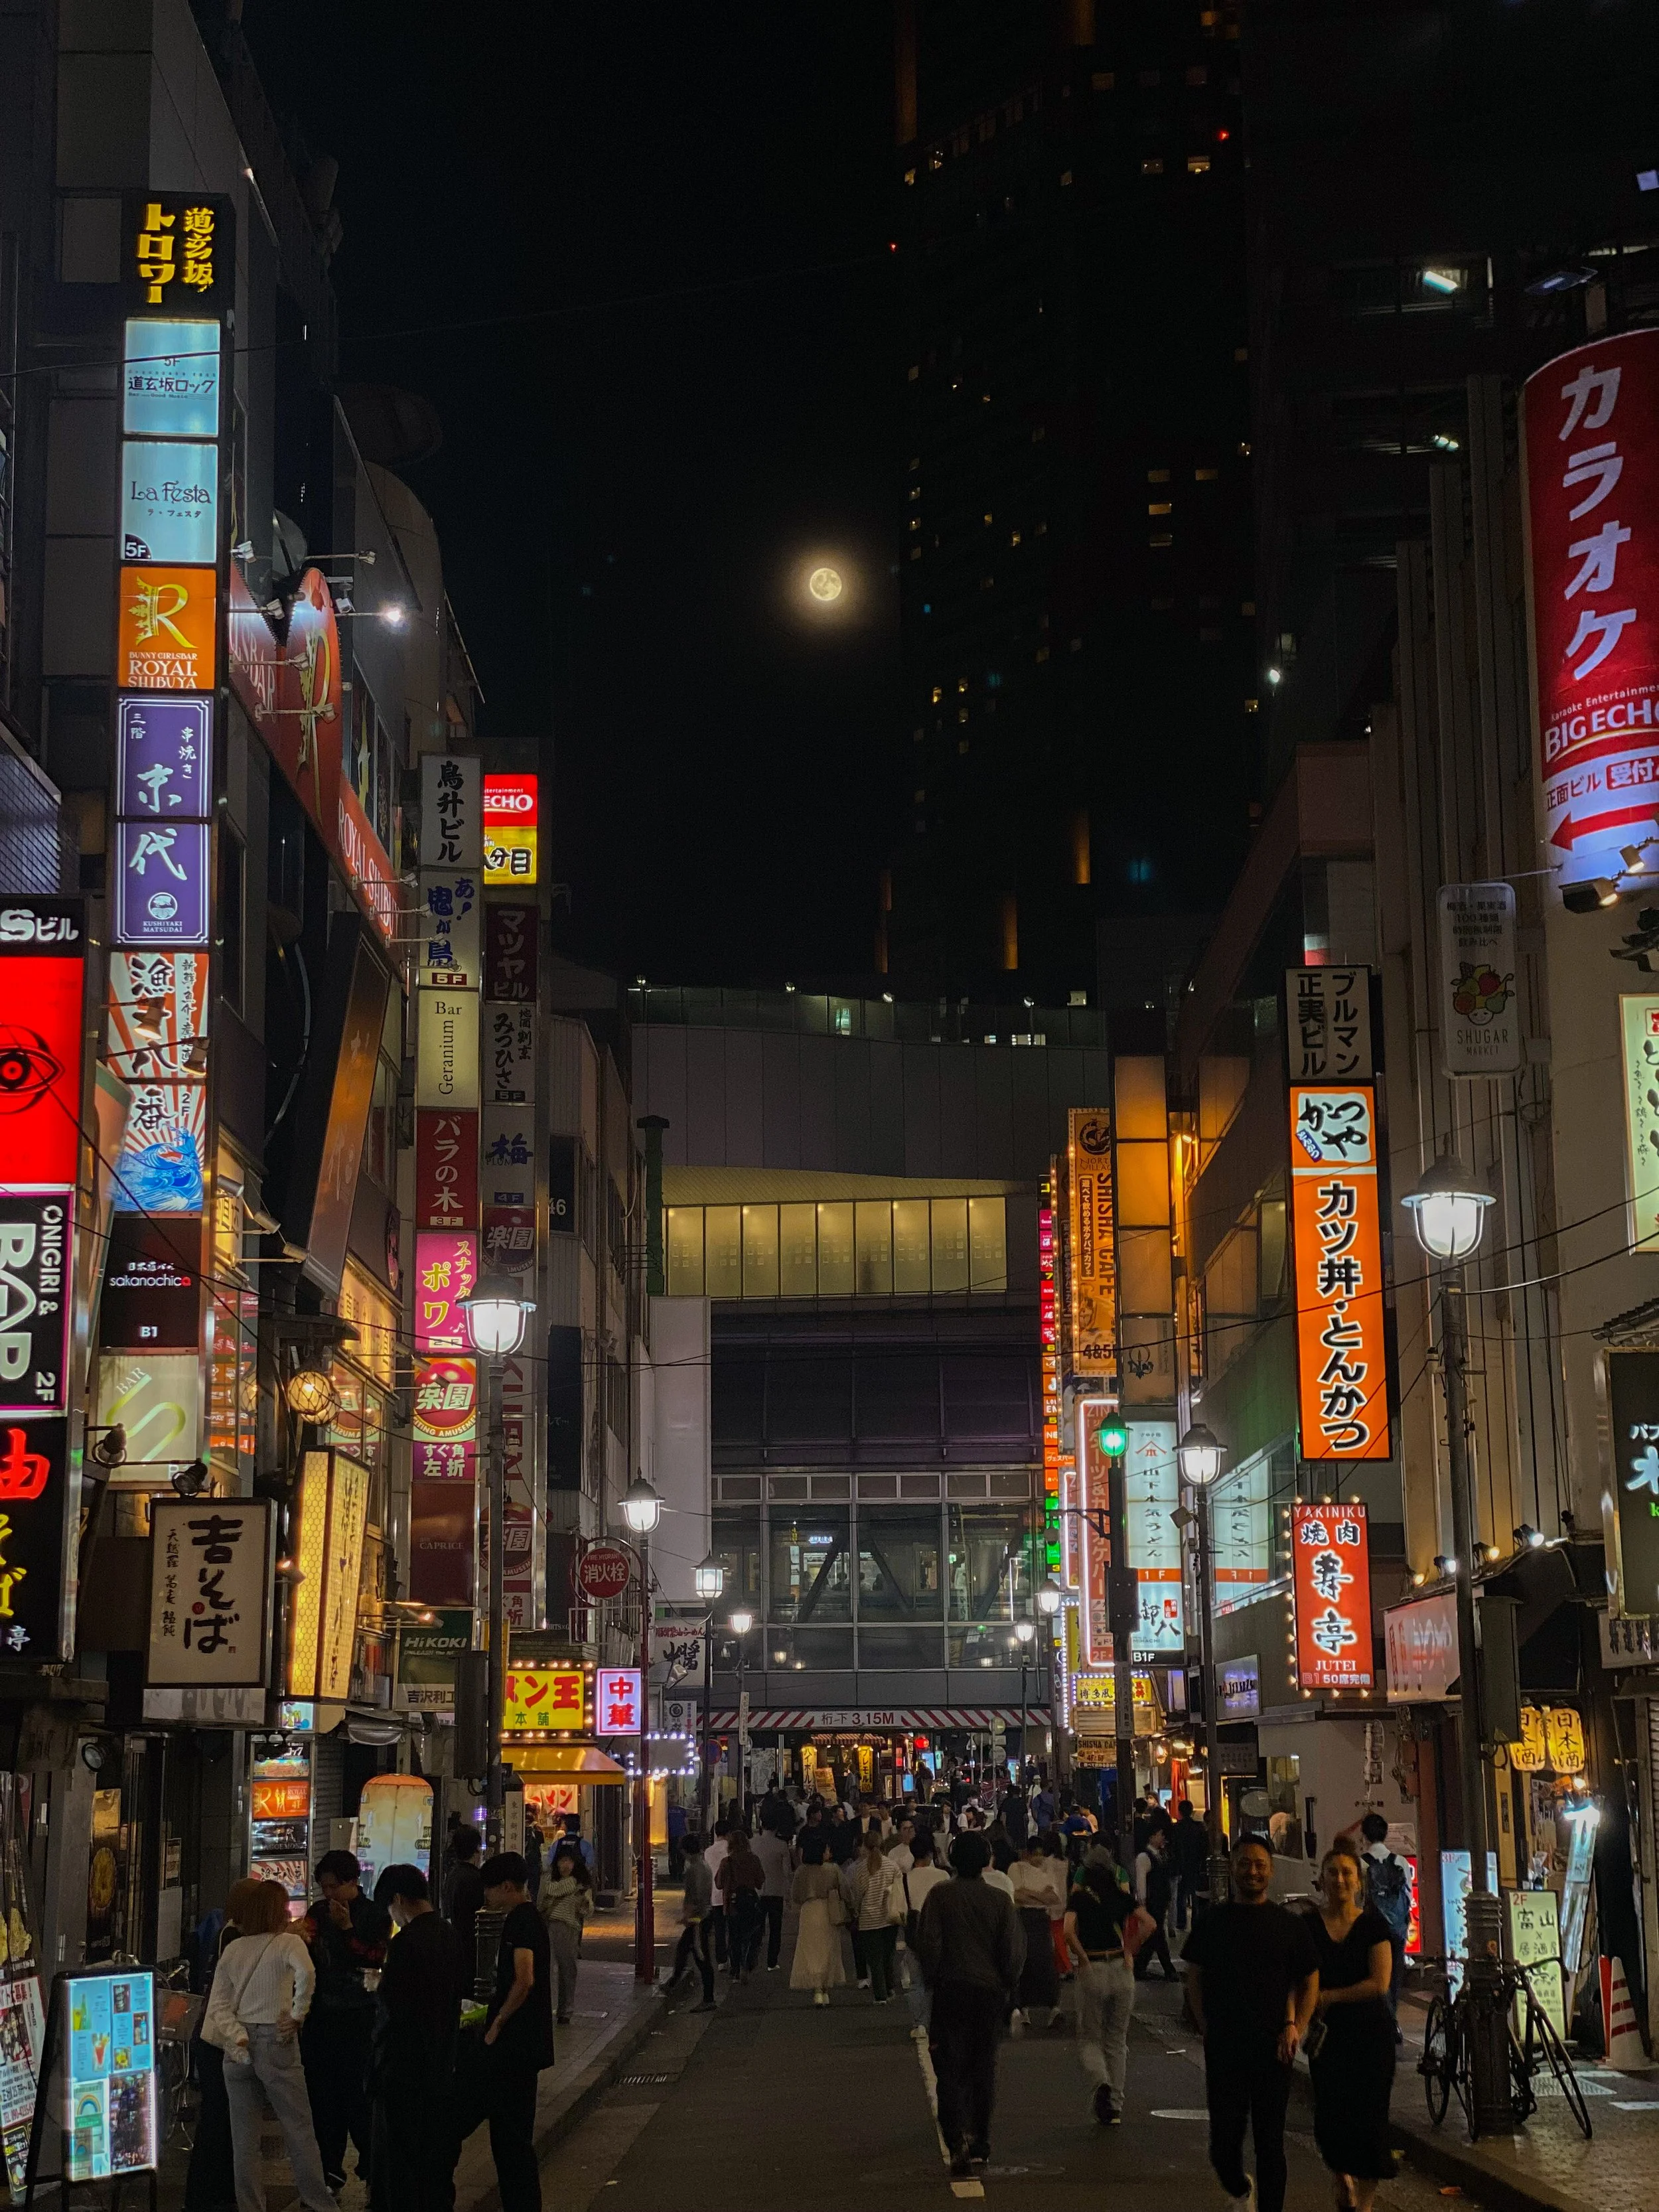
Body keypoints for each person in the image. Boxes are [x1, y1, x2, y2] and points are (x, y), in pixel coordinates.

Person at [1183, 1835, 1319, 2212]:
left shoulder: (1288, 1925)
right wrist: (1205, 2024)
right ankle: (1240, 2186)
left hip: (1273, 2047)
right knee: (1223, 2142)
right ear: (1232, 1868)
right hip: (1225, 2044)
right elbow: (1195, 1976)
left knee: (1270, 2140)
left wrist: (1298, 2025)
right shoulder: (1213, 1922)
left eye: (1260, 1865)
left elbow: (1310, 1978)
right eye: (1244, 1863)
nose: (1252, 1871)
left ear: (1271, 1870)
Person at [204, 1879, 337, 2212]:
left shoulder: (234, 1949)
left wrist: (237, 2034)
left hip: (237, 2049)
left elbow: (218, 2005)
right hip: (276, 2039)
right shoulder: (288, 1943)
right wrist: (298, 2014)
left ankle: (251, 2206)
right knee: (298, 2128)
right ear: (279, 1911)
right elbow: (307, 1974)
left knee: (244, 2139)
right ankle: (318, 2203)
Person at [915, 1831, 1025, 2178]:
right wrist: (1007, 1985)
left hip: (951, 1990)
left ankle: (956, 2137)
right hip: (988, 1992)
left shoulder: (940, 1895)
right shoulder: (999, 1900)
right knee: (983, 2065)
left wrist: (933, 1978)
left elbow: (929, 1944)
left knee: (949, 2066)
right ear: (986, 1860)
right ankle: (980, 2138)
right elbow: (1012, 1952)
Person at [452, 1854, 554, 2212]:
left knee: (511, 2140)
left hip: (515, 2047)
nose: (487, 1897)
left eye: (490, 1890)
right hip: (523, 2046)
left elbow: (524, 1979)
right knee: (512, 2139)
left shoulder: (521, 1921)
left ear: (507, 1887)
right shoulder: (528, 1919)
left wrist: (497, 2023)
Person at [368, 1864, 469, 2212]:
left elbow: (392, 2013)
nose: (392, 1917)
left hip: (404, 2070)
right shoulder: (449, 1934)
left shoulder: (405, 1943)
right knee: (434, 2161)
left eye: (390, 1908)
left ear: (398, 1899)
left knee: (402, 2163)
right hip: (441, 2064)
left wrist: (376, 2065)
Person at [1305, 1848, 1397, 2212]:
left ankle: (1367, 2204)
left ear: (1359, 1882)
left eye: (1347, 1873)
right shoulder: (1309, 1926)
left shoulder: (1374, 1926)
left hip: (1371, 2036)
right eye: (1332, 1872)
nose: (1340, 1879)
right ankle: (1341, 2175)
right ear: (1322, 1879)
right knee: (1330, 2117)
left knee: (1371, 2120)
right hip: (1328, 2038)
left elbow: (1380, 1983)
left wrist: (1331, 1996)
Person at [298, 1850, 389, 2193]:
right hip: (321, 2019)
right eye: (323, 1887)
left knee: (359, 2098)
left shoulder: (374, 1915)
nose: (328, 1894)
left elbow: (375, 1958)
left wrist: (347, 1929)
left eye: (334, 1886)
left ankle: (373, 2171)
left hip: (359, 2018)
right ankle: (330, 2171)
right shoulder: (318, 1912)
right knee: (323, 2099)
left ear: (353, 1882)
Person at [186, 1877, 267, 2212]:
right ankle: (205, 2196)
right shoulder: (232, 1936)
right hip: (218, 2042)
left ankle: (218, 2192)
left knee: (224, 2121)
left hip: (219, 2040)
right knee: (218, 2120)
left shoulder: (233, 1933)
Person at [1065, 1857, 1139, 2125]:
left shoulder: (1079, 1899)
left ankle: (1101, 2082)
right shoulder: (1121, 1897)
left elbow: (1068, 1931)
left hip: (1094, 1968)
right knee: (1117, 2040)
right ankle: (1115, 2106)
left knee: (1090, 2037)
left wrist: (1082, 1958)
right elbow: (1150, 1923)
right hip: (1121, 1968)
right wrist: (1129, 1950)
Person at [1356, 1812, 1413, 2036]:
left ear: (1364, 1836)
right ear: (1385, 1834)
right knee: (1394, 1976)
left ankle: (1378, 2020)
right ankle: (1392, 2019)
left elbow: (1359, 1899)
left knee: (1372, 1974)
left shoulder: (1361, 1863)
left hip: (1371, 1928)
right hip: (1397, 1928)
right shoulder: (1401, 1862)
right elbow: (1408, 1896)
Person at [848, 1824, 907, 2004]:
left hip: (868, 1919)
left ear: (865, 1847)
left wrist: (855, 1912)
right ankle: (889, 1988)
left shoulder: (860, 1869)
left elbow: (857, 1894)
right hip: (889, 1917)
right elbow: (898, 1890)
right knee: (888, 1956)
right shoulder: (892, 1866)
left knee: (875, 1959)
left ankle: (880, 1995)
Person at [536, 1841, 593, 2025]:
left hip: (568, 1928)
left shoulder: (580, 1885)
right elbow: (540, 1905)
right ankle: (546, 2008)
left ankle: (565, 2010)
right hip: (548, 1926)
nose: (565, 1865)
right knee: (546, 1970)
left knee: (567, 1969)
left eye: (569, 1861)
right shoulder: (549, 1881)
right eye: (562, 1861)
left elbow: (587, 1910)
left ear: (575, 1863)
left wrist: (583, 1903)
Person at [1010, 1834, 1063, 2027]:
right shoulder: (1017, 1868)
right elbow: (1017, 1895)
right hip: (1024, 1918)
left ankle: (1053, 2007)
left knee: (1046, 1962)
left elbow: (1054, 1898)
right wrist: (1041, 1896)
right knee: (1025, 1962)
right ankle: (1023, 2007)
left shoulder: (1047, 1870)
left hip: (1042, 1919)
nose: (1039, 1859)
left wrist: (1030, 1894)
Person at [790, 1833, 849, 2005]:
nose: (829, 1852)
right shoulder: (833, 1869)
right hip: (828, 1910)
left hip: (808, 1911)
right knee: (829, 1949)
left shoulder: (801, 1871)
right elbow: (845, 1890)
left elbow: (795, 1895)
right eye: (827, 1850)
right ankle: (825, 1988)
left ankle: (816, 1989)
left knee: (810, 1950)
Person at [664, 1834, 717, 2009]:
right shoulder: (703, 1865)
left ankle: (709, 1999)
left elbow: (696, 1896)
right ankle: (672, 1982)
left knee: (701, 1957)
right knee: (683, 1949)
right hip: (701, 1916)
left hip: (698, 1919)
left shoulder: (694, 1869)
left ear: (685, 1851)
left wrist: (689, 1915)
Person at [715, 1826, 764, 1982]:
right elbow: (760, 1882)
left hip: (732, 1906)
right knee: (751, 1935)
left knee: (734, 1938)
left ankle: (736, 1970)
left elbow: (719, 1884)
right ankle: (748, 1964)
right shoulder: (754, 1859)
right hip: (750, 1903)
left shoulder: (727, 1862)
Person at [1133, 1827, 1179, 1982]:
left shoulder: (1160, 1854)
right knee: (1158, 1933)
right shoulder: (1144, 1857)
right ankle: (1168, 1969)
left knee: (1155, 1936)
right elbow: (1141, 1882)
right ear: (1151, 1837)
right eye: (1160, 1835)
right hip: (1152, 1902)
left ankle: (1140, 1966)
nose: (1163, 1838)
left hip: (1160, 1901)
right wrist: (1142, 1903)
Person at [753, 1817, 796, 1973]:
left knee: (756, 1927)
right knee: (775, 1929)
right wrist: (788, 1895)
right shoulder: (781, 1845)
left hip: (757, 1892)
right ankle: (772, 1962)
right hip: (776, 1891)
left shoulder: (753, 1843)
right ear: (776, 1828)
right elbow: (786, 1872)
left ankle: (753, 1957)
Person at [441, 1826, 485, 1963]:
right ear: (476, 1849)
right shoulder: (476, 1878)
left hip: (454, 1943)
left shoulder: (452, 1875)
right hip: (471, 1945)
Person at [1170, 1798, 1208, 1931]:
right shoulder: (1199, 1828)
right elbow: (1204, 1848)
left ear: (1180, 1812)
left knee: (1181, 1895)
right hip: (1196, 1865)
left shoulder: (1176, 1828)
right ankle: (1195, 1922)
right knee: (1195, 1895)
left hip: (1181, 1866)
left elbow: (1174, 1848)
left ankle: (1181, 1923)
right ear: (1192, 1811)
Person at [666, 1799, 688, 1879]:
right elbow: (686, 1822)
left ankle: (674, 1873)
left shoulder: (667, 1810)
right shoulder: (682, 1810)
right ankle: (680, 1872)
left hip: (671, 1834)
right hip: (681, 1834)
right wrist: (688, 1832)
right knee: (681, 1854)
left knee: (673, 1854)